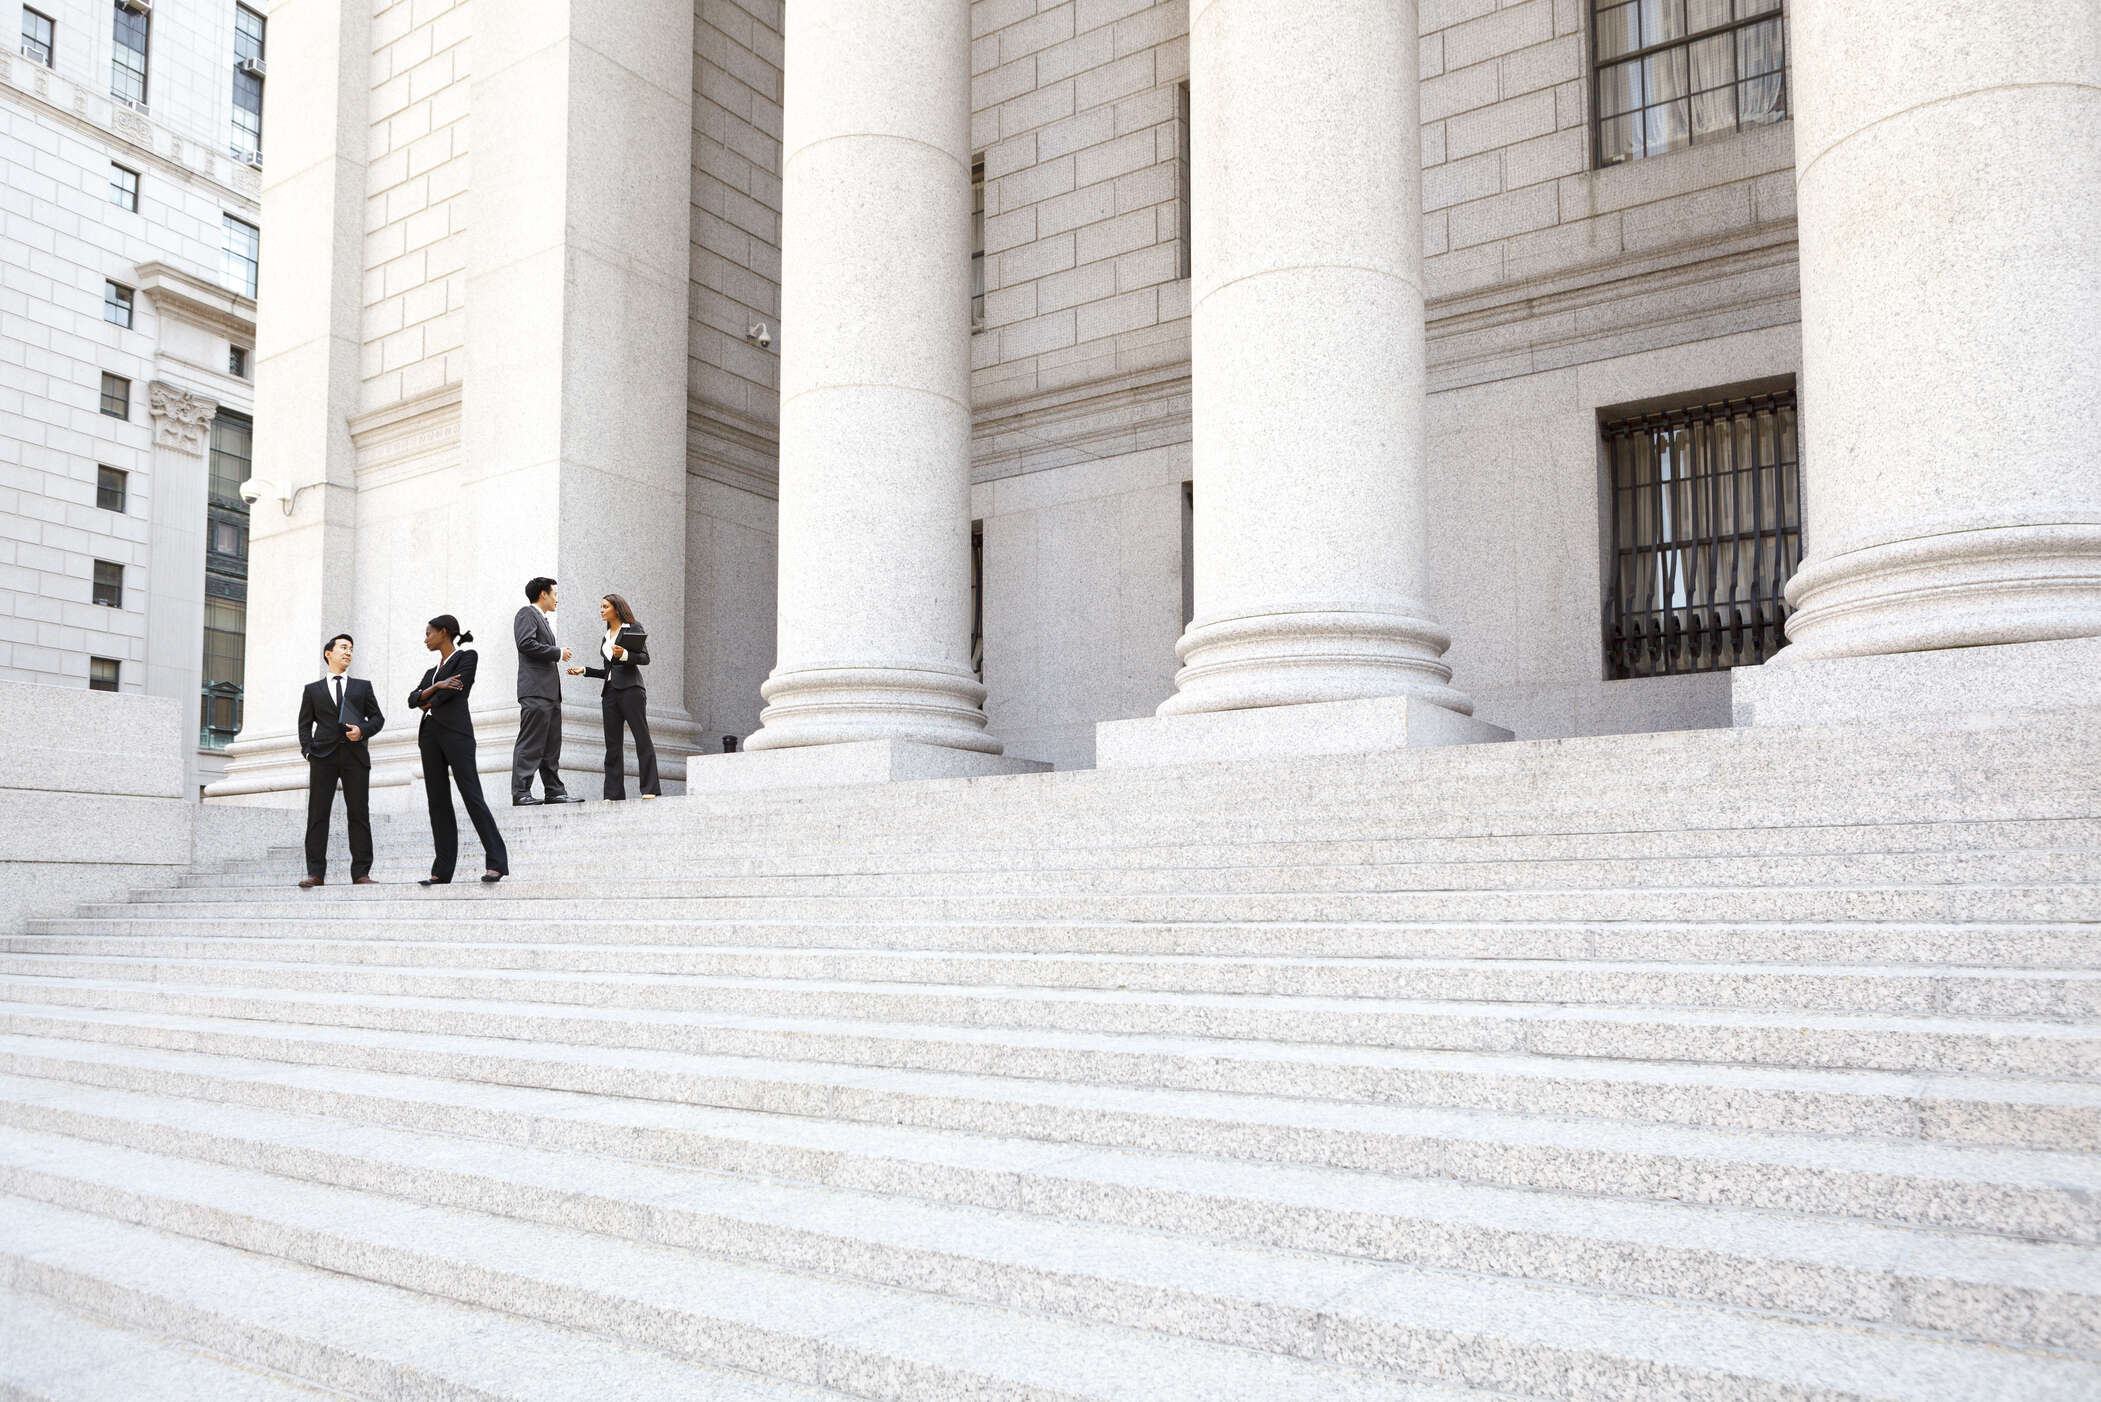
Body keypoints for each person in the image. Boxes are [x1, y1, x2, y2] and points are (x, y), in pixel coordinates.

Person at [408, 615, 509, 885]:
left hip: (456, 734)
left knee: (472, 795)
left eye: (429, 633)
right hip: (429, 736)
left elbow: (457, 691)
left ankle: (497, 862)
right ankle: (441, 871)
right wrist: (437, 686)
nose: (426, 639)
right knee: (437, 801)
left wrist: (428, 698)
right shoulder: (431, 672)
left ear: (443, 632)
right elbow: (411, 699)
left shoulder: (467, 657)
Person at [296, 632, 384, 888]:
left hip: (355, 757)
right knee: (317, 815)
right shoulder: (312, 690)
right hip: (322, 757)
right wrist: (308, 751)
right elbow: (304, 724)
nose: (348, 652)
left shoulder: (362, 687)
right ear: (329, 653)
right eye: (343, 647)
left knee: (359, 814)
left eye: (351, 649)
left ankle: (361, 873)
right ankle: (315, 873)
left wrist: (362, 731)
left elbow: (377, 718)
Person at [567, 593, 660, 800]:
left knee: (642, 738)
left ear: (617, 609)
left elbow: (645, 658)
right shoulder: (606, 636)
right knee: (612, 744)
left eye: (605, 606)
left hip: (631, 690)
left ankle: (650, 788)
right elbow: (608, 671)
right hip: (609, 693)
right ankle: (613, 793)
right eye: (601, 607)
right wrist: (585, 670)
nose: (601, 610)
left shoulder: (633, 627)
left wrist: (624, 655)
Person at [511, 575, 581, 807]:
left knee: (551, 746)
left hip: (550, 693)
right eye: (555, 594)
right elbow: (525, 643)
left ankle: (555, 792)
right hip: (535, 691)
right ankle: (521, 792)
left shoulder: (542, 619)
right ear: (543, 594)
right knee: (531, 743)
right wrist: (557, 652)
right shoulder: (527, 613)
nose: (556, 599)